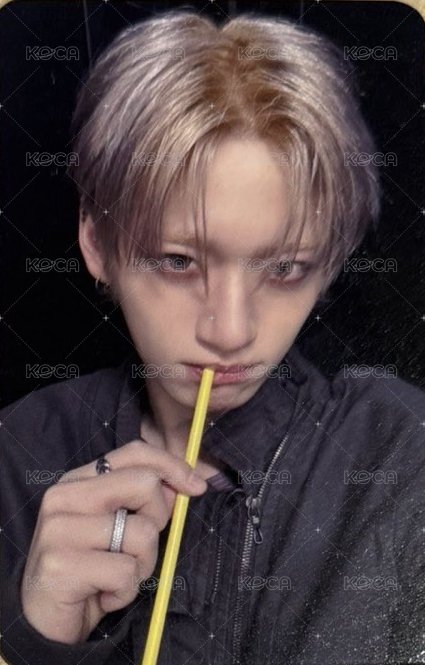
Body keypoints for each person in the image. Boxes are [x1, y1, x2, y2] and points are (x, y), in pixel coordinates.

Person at [1, 8, 424, 665]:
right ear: (97, 243)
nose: (230, 332)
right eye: (178, 261)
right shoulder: (17, 451)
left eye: (285, 268)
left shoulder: (402, 453)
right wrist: (39, 641)